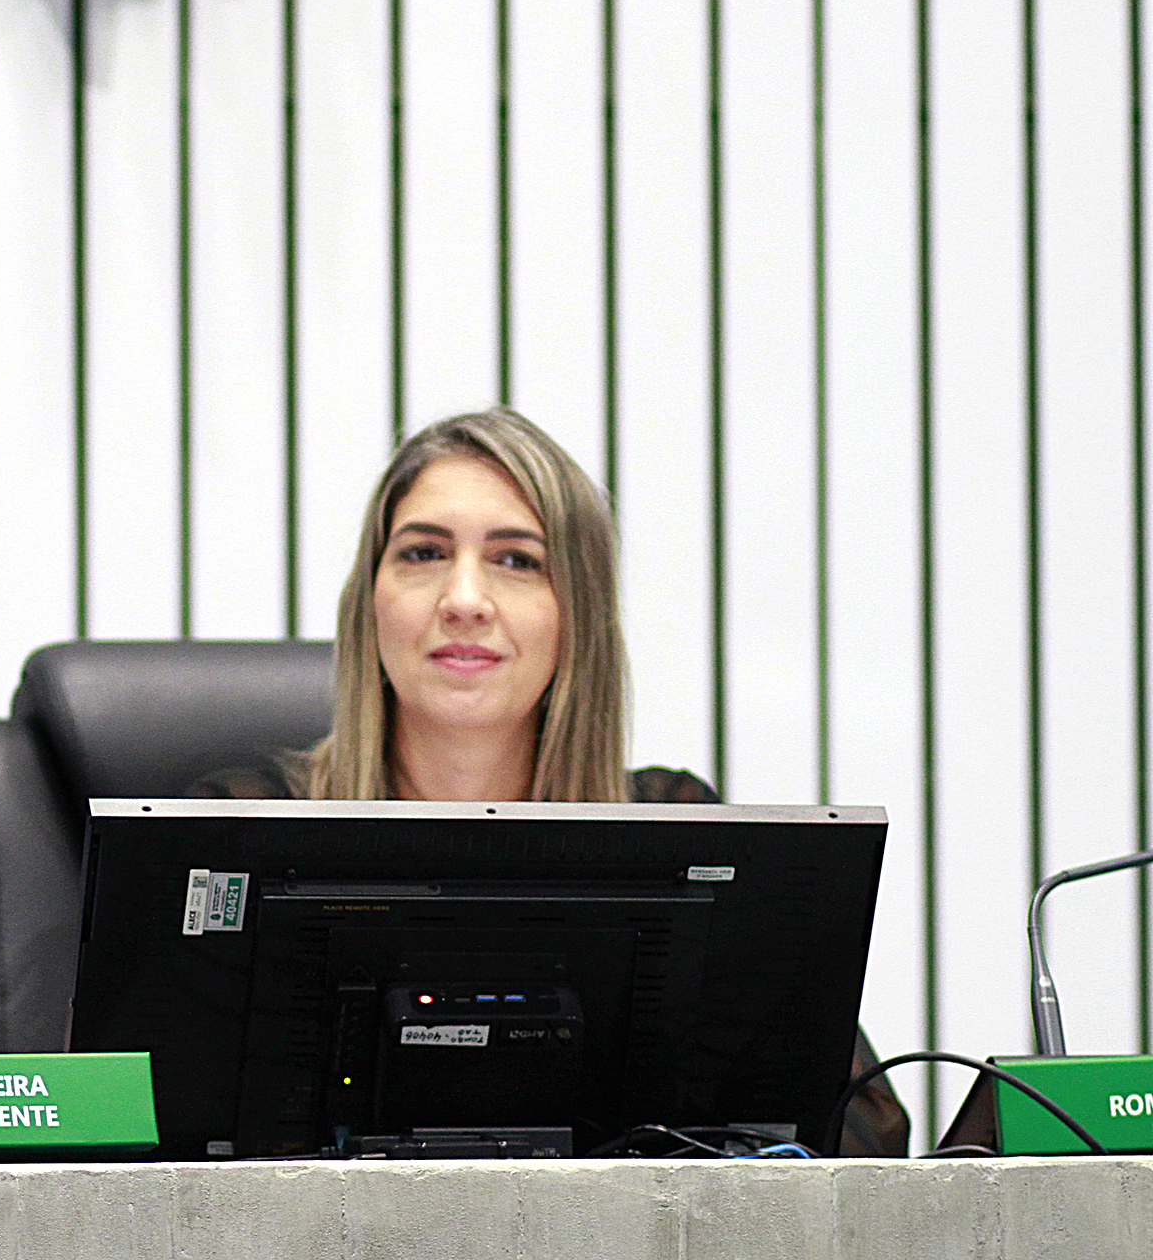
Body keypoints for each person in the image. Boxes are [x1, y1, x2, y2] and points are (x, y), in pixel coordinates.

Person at [200, 407, 909, 1156]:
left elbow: (858, 1132)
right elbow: (105, 1124)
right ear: (369, 605)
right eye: (422, 553)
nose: (464, 599)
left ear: (578, 616)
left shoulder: (675, 831)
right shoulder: (240, 828)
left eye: (517, 561)